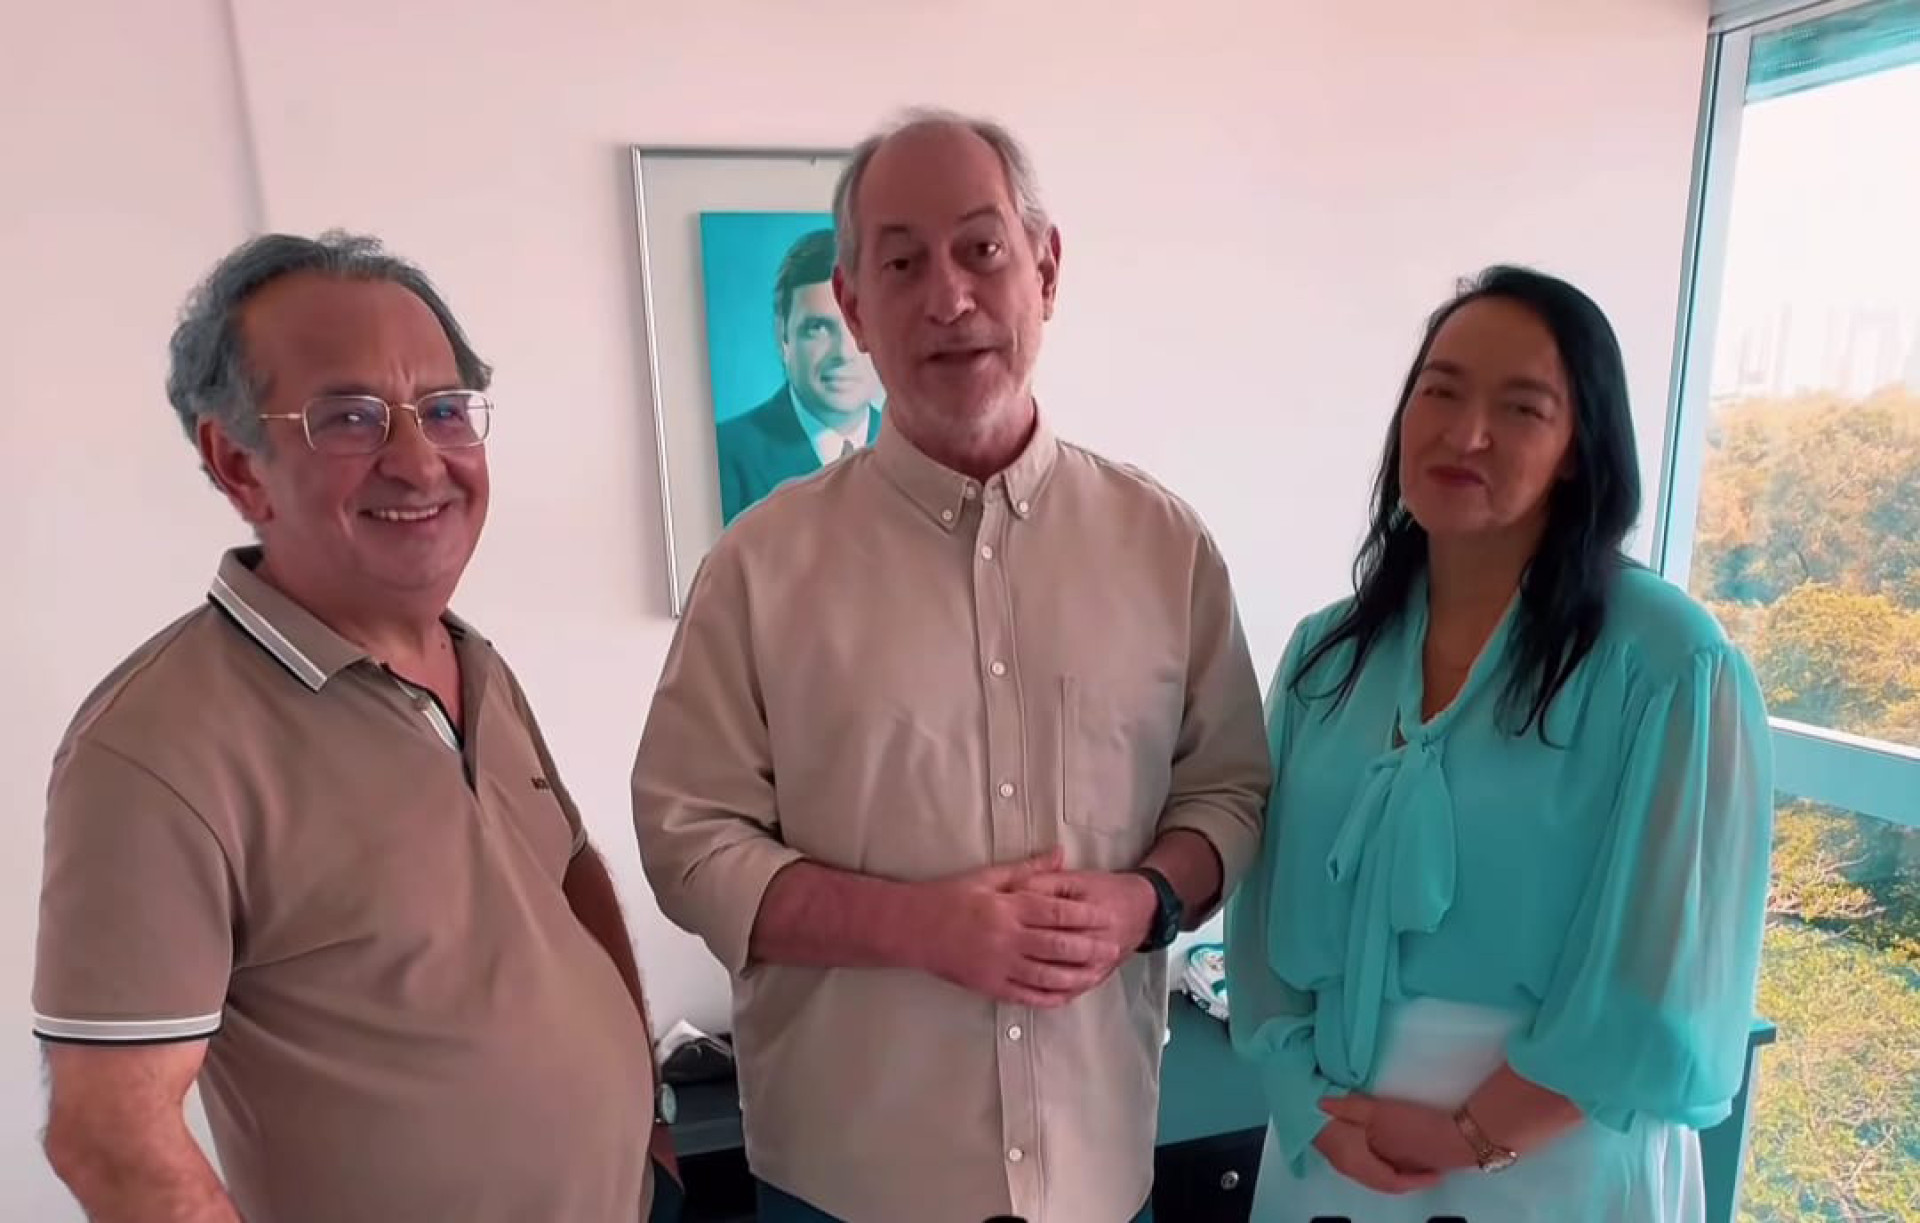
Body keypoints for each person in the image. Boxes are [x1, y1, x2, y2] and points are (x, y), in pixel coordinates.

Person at [632, 109, 1271, 1223]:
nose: (948, 296)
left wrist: (1146, 898)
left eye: (982, 249)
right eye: (901, 263)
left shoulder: (1163, 546)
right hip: (847, 1185)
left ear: (1046, 269)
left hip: (1097, 1171)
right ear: (853, 305)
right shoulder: (759, 568)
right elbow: (689, 840)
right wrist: (917, 926)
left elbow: (1229, 790)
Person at [32, 231, 677, 1223]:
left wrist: (647, 1121)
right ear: (238, 464)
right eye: (349, 417)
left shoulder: (474, 662)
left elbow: (568, 873)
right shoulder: (154, 748)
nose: (417, 461)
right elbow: (109, 1136)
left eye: (444, 410)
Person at [1223, 266, 1774, 1222]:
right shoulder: (1327, 653)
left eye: (1521, 408)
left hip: (1557, 1155)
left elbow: (1662, 976)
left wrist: (1472, 1135)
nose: (1465, 432)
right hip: (1334, 1142)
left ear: (1578, 449)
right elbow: (1260, 908)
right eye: (1440, 391)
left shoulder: (1668, 661)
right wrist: (1308, 1106)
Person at [716, 227, 883, 522]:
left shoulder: (920, 454)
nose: (844, 352)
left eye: (860, 322)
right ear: (782, 335)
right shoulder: (726, 456)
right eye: (819, 328)